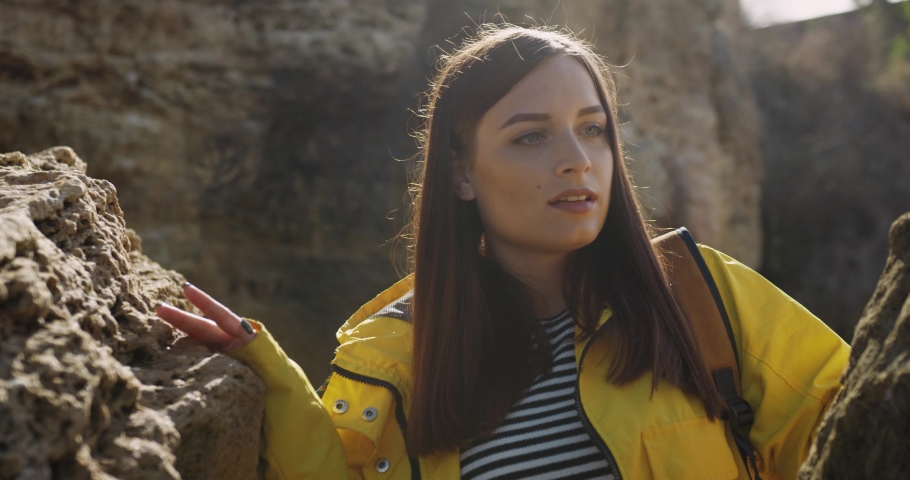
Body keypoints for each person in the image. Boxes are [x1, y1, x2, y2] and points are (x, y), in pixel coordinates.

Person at [156, 25, 849, 480]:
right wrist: (268, 377)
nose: (577, 161)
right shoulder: (396, 360)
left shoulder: (702, 298)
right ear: (460, 173)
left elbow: (862, 428)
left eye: (593, 130)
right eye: (530, 137)